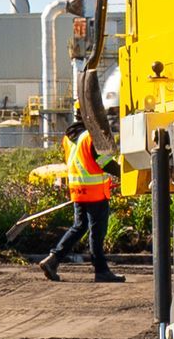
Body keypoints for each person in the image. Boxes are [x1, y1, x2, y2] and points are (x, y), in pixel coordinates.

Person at [40, 121, 120, 282]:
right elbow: (103, 162)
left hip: (78, 189)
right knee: (96, 232)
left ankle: (53, 259)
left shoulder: (69, 138)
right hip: (95, 191)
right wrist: (123, 172)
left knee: (79, 226)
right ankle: (102, 270)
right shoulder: (91, 136)